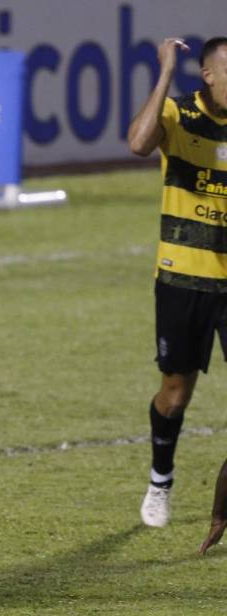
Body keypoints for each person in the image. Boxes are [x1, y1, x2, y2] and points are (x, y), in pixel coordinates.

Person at [127, 35, 227, 527]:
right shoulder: (177, 114)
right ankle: (160, 480)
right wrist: (164, 70)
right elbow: (139, 143)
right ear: (207, 75)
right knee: (175, 393)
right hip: (183, 280)